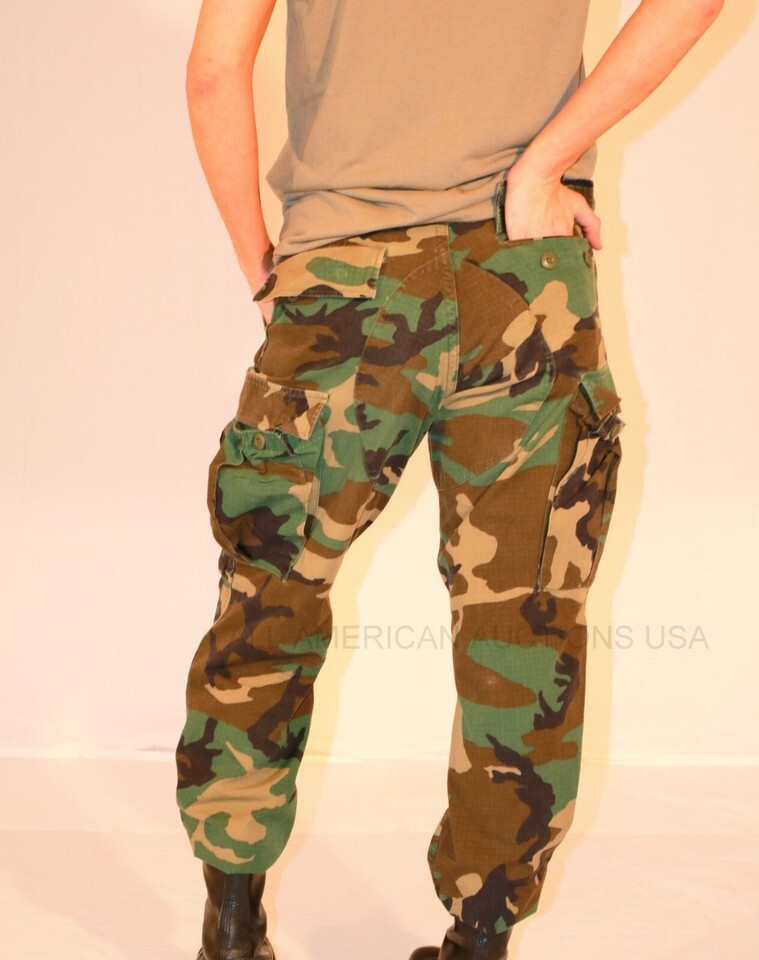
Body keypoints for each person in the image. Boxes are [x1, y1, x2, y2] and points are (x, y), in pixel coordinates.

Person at [175, 2, 723, 959]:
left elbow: (216, 70)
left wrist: (264, 264)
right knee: (523, 619)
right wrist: (543, 164)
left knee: (271, 597)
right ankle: (480, 939)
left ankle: (230, 926)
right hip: (526, 275)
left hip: (344, 275)